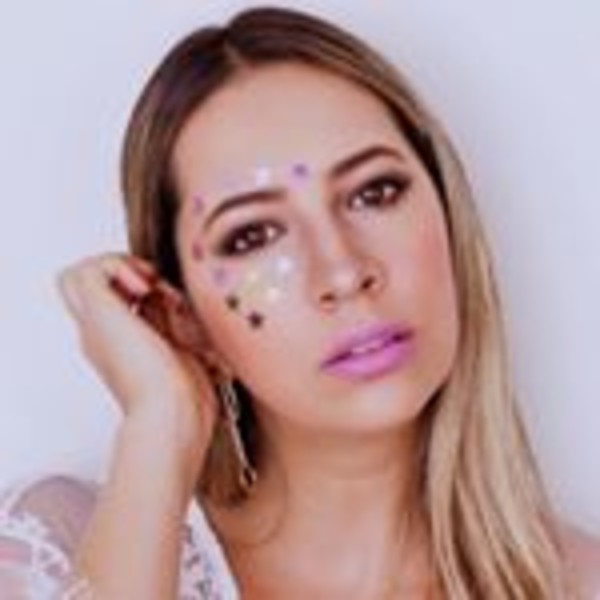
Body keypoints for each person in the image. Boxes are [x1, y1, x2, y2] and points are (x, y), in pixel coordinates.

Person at [0, 5, 599, 599]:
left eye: (375, 192)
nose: (343, 271)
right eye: (252, 236)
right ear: (186, 319)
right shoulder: (55, 548)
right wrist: (160, 420)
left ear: (448, 211)